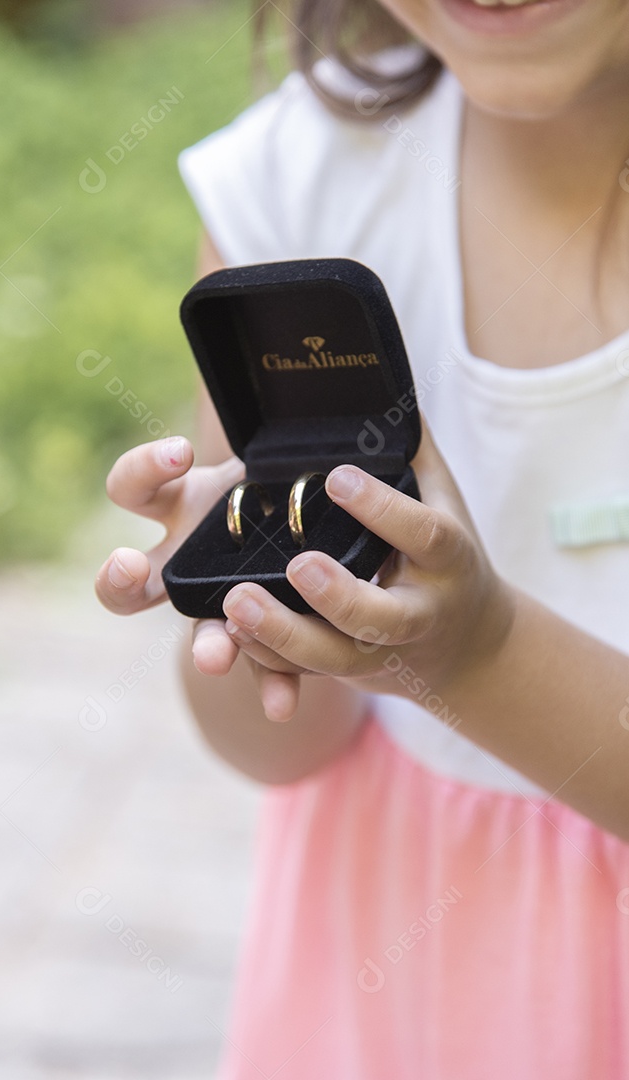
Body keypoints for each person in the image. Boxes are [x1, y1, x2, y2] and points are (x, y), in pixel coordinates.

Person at [95, 0, 629, 1075]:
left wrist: (476, 658)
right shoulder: (302, 178)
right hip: (381, 962)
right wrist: (260, 622)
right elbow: (278, 747)